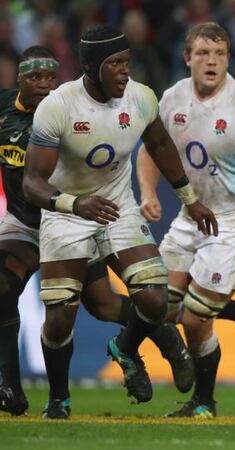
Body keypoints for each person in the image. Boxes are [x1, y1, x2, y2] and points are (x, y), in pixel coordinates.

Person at [22, 25, 217, 419]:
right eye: (115, 63)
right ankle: (58, 400)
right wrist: (75, 205)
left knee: (154, 297)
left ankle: (124, 350)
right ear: (92, 67)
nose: (124, 71)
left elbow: (160, 144)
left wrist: (189, 199)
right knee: (60, 318)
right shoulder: (58, 106)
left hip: (116, 206)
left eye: (127, 62)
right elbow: (32, 183)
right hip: (67, 213)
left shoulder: (141, 98)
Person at [137, 22, 235, 419]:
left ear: (228, 59)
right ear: (187, 58)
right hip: (192, 218)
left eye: (220, 54)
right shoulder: (171, 99)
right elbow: (152, 149)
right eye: (203, 53)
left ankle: (203, 402)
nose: (212, 61)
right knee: (160, 308)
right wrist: (149, 193)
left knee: (193, 317)